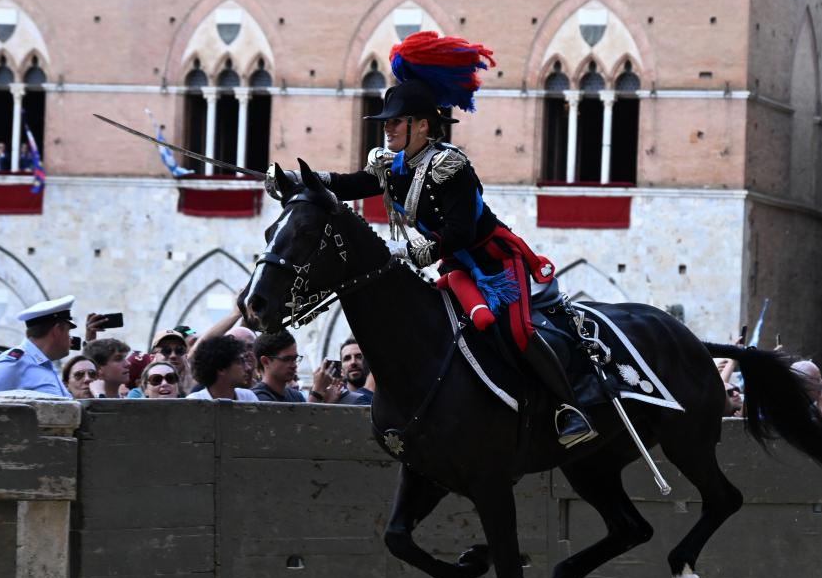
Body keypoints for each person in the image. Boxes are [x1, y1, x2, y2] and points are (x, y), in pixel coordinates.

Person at [304, 31, 592, 446]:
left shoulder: (449, 166)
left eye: (396, 122)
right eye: (386, 122)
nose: (387, 130)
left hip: (494, 263)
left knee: (519, 332)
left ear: (423, 125)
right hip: (456, 268)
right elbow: (354, 183)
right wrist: (303, 180)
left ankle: (570, 408)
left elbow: (462, 231)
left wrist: (413, 249)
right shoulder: (393, 165)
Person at [0, 296, 78, 396]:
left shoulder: (45, 364)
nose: (70, 338)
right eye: (68, 331)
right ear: (57, 331)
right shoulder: (12, 364)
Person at [187, 335, 259, 401]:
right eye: (240, 361)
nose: (248, 368)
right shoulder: (194, 402)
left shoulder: (248, 397)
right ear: (221, 368)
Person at [252, 330, 306, 402]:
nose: (294, 365)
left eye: (295, 359)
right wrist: (316, 393)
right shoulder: (257, 398)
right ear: (266, 361)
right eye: (287, 359)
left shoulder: (297, 396)